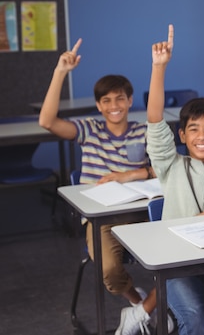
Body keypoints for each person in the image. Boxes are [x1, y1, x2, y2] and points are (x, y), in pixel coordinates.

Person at [114, 25, 204, 335]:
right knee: (193, 315)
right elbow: (154, 119)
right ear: (182, 135)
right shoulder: (171, 165)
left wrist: (196, 221)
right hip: (179, 267)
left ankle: (145, 310)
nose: (202, 136)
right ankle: (154, 310)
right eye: (193, 129)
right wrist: (159, 67)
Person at [39, 39, 152, 313]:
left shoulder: (142, 130)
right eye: (107, 101)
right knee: (110, 272)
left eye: (120, 99)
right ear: (99, 106)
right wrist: (60, 72)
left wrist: (129, 174)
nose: (114, 106)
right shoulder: (89, 129)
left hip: (141, 210)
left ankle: (154, 308)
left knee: (176, 255)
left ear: (130, 100)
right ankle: (141, 305)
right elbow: (47, 122)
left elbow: (163, 168)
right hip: (102, 216)